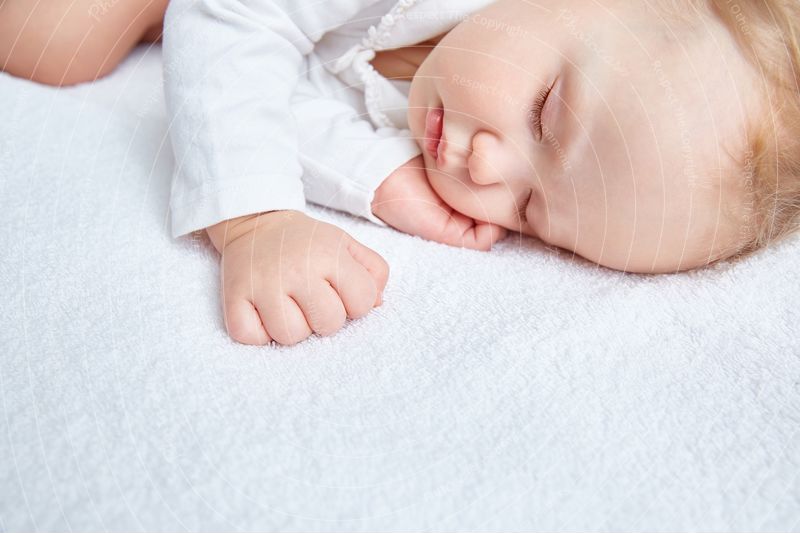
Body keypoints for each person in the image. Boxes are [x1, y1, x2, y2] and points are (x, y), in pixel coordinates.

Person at [2, 0, 798, 346]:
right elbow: (235, 17)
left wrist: (378, 173)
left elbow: (288, 83)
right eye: (547, 110)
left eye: (530, 209)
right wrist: (254, 217)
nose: (486, 167)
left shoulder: (469, 91)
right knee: (58, 36)